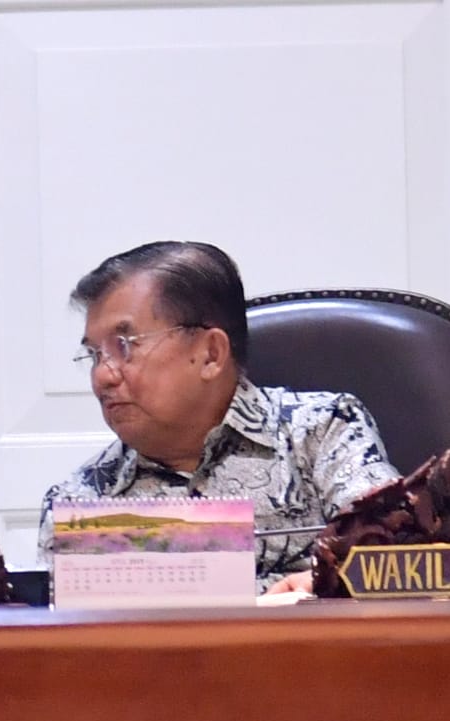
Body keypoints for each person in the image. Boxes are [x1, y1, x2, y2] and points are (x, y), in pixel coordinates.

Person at [38, 241, 399, 595]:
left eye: (124, 345)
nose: (103, 375)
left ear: (211, 353)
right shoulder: (79, 502)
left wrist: (321, 586)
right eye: (94, 354)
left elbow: (394, 559)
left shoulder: (323, 432)